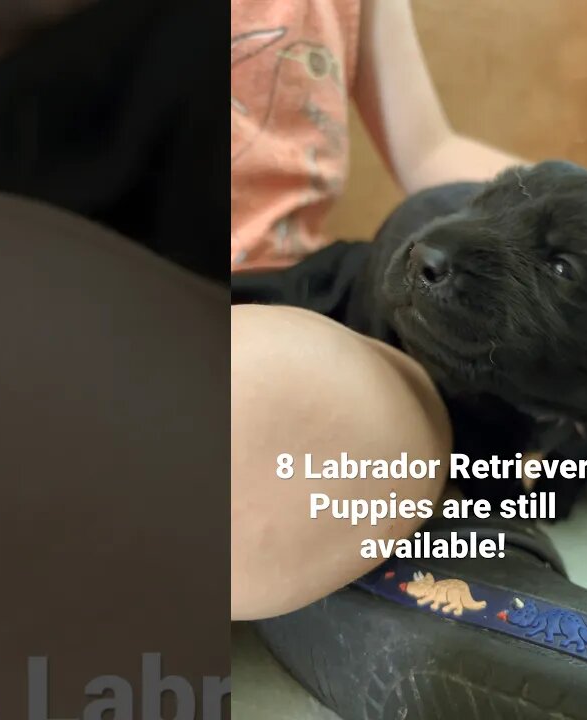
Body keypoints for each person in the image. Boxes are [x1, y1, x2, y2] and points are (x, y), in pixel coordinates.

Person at [229, 0, 530, 619]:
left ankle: (381, 570)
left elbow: (428, 148)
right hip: (90, 296)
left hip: (291, 315)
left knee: (321, 402)